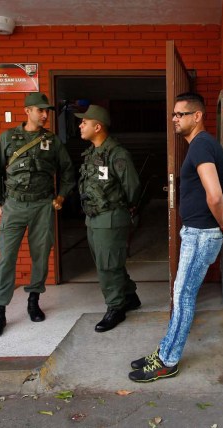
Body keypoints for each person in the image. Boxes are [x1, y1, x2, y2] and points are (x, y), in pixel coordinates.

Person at [128, 92, 223, 382]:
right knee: (181, 295)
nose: (174, 119)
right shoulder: (202, 145)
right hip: (199, 233)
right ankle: (164, 351)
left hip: (201, 234)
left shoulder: (201, 146)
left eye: (180, 114)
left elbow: (215, 195)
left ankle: (167, 361)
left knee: (183, 297)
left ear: (197, 116)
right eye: (173, 114)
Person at [0, 92, 75, 339]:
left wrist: (61, 196)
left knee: (40, 255)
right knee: (6, 258)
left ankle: (34, 300)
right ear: (27, 111)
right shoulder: (8, 138)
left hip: (42, 206)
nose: (45, 115)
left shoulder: (52, 141)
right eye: (40, 110)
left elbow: (68, 171)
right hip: (13, 205)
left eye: (47, 111)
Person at [76, 104, 142, 333]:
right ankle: (130, 296)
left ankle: (116, 308)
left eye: (84, 122)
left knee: (107, 266)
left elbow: (132, 187)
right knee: (108, 262)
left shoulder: (117, 154)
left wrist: (126, 209)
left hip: (111, 218)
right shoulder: (93, 153)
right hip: (93, 218)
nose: (80, 126)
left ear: (98, 126)